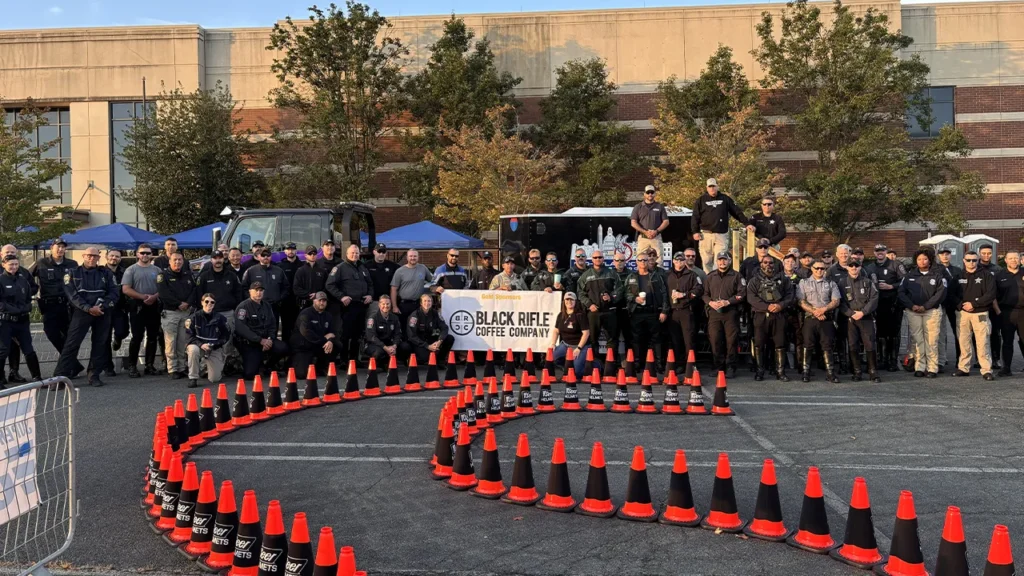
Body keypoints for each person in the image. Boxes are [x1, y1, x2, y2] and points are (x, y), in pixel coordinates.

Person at [55, 247, 119, 387]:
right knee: (71, 344)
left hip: (102, 312)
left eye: (95, 256)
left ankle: (94, 375)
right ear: (84, 256)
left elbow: (114, 292)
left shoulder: (106, 273)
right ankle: (59, 378)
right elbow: (72, 295)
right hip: (81, 312)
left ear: (99, 257)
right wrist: (88, 308)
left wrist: (100, 306)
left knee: (100, 344)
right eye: (89, 255)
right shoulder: (72, 273)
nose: (92, 258)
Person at [31, 239, 81, 376]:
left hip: (67, 305)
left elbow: (79, 282)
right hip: (49, 305)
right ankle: (73, 364)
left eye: (63, 247)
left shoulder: (72, 264)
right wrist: (33, 290)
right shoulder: (41, 263)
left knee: (69, 337)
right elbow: (26, 277)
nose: (60, 249)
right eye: (57, 247)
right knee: (51, 333)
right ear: (51, 248)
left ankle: (68, 367)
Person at [898, 249, 947, 378]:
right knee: (918, 340)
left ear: (930, 260)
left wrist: (926, 306)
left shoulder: (937, 275)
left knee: (931, 340)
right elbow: (901, 293)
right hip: (913, 312)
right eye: (919, 259)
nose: (922, 261)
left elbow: (940, 293)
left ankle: (932, 368)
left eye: (925, 259)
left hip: (932, 312)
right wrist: (911, 305)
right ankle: (920, 367)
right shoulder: (909, 275)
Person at [747, 256, 794, 381]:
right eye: (765, 262)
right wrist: (767, 307)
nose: (768, 265)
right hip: (761, 316)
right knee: (759, 344)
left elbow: (790, 295)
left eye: (771, 263)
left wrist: (780, 305)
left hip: (779, 315)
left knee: (780, 344)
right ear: (761, 264)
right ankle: (760, 371)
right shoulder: (754, 281)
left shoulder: (783, 279)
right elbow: (751, 298)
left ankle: (780, 372)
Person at [951, 251, 997, 380]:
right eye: (969, 260)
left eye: (974, 260)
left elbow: (991, 293)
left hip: (980, 313)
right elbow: (950, 294)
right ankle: (963, 368)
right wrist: (961, 305)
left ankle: (986, 370)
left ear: (978, 261)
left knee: (983, 342)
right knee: (963, 342)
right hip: (963, 313)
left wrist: (974, 304)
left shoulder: (986, 275)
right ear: (964, 261)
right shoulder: (957, 276)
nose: (971, 262)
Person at [0, 254, 42, 388]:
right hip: (6, 321)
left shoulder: (23, 280)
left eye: (16, 264)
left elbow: (28, 298)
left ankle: (37, 377)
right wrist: (15, 310)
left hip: (22, 321)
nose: (13, 267)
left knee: (28, 349)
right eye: (11, 264)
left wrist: (26, 307)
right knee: (3, 350)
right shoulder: (1, 280)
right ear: (3, 265)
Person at [691, 178, 750, 273]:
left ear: (717, 187)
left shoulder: (725, 199)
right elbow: (695, 217)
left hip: (721, 235)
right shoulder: (701, 200)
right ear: (707, 188)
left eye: (714, 186)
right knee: (706, 261)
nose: (712, 188)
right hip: (706, 235)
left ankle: (716, 279)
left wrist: (747, 223)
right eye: (710, 186)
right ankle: (708, 281)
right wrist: (695, 231)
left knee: (719, 259)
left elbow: (736, 211)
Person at [797, 260, 841, 383]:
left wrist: (823, 310)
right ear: (812, 269)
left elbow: (836, 300)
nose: (819, 270)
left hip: (826, 318)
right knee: (808, 345)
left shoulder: (831, 283)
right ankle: (806, 372)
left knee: (827, 345)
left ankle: (830, 373)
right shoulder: (803, 282)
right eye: (817, 268)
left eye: (822, 268)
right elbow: (800, 301)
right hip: (810, 318)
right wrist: (814, 312)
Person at [327, 244, 373, 364]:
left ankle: (354, 359)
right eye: (352, 253)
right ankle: (343, 360)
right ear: (347, 254)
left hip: (362, 305)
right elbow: (329, 285)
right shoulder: (340, 268)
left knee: (357, 334)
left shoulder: (362, 267)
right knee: (346, 334)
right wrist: (341, 296)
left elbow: (370, 284)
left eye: (357, 253)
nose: (355, 255)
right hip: (348, 306)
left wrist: (370, 295)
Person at [122, 243, 162, 378]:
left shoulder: (157, 270)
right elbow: (126, 289)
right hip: (137, 306)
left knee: (152, 336)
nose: (145, 255)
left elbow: (162, 288)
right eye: (142, 253)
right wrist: (143, 297)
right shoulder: (130, 270)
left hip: (154, 306)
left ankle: (149, 365)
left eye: (148, 253)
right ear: (137, 254)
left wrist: (154, 297)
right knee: (137, 337)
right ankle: (132, 366)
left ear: (152, 255)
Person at [624, 252, 669, 371]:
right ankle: (638, 364)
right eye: (640, 260)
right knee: (637, 339)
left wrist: (664, 311)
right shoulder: (631, 277)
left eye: (645, 260)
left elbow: (665, 294)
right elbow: (626, 293)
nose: (643, 262)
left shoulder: (656, 276)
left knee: (657, 339)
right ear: (636, 262)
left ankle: (659, 365)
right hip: (637, 312)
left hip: (653, 312)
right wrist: (634, 298)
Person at [234, 282, 288, 379]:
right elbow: (240, 328)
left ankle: (267, 366)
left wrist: (270, 339)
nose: (259, 293)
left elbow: (272, 324)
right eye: (256, 290)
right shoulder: (243, 307)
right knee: (250, 375)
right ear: (250, 292)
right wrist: (260, 340)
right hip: (251, 343)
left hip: (266, 341)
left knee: (283, 348)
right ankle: (256, 365)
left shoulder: (267, 305)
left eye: (261, 290)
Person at [867, 243, 907, 372]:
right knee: (880, 332)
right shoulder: (870, 267)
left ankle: (893, 360)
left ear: (886, 251)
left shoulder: (896, 265)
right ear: (874, 253)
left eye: (882, 250)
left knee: (894, 332)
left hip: (894, 303)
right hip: (878, 304)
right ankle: (883, 359)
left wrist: (892, 286)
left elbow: (905, 280)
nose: (880, 253)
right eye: (877, 250)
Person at [703, 251, 744, 377]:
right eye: (720, 260)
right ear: (717, 262)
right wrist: (710, 303)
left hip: (730, 313)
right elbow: (704, 294)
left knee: (731, 341)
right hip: (714, 313)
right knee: (715, 340)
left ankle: (731, 367)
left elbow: (741, 294)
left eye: (725, 259)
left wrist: (728, 301)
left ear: (730, 261)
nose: (722, 262)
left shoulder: (737, 276)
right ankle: (718, 367)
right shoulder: (710, 276)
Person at [157, 253, 197, 379]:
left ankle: (181, 366)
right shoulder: (163, 276)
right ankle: (173, 368)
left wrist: (188, 303)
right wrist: (178, 304)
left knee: (182, 341)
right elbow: (164, 294)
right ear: (169, 261)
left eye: (180, 260)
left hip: (185, 313)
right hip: (171, 312)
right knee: (171, 342)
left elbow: (194, 291)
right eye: (175, 260)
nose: (177, 262)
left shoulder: (188, 275)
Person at [839, 260, 880, 382]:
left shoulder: (867, 282)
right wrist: (850, 313)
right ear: (847, 268)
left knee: (869, 343)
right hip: (850, 318)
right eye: (851, 266)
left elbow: (874, 298)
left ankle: (873, 371)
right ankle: (857, 372)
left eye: (856, 266)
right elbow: (840, 302)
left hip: (865, 317)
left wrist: (863, 312)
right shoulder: (842, 283)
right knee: (852, 344)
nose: (853, 268)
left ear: (860, 267)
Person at [577, 249, 623, 353]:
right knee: (592, 339)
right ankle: (594, 364)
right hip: (593, 312)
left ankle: (611, 365)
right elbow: (580, 293)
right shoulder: (585, 275)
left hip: (610, 311)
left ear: (603, 259)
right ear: (592, 260)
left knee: (612, 339)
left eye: (600, 257)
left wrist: (611, 297)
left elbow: (620, 290)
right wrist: (589, 304)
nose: (598, 259)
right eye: (595, 257)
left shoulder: (611, 273)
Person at [665, 251, 703, 374]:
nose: (679, 262)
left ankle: (691, 364)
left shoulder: (692, 275)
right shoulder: (667, 275)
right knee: (675, 340)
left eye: (682, 260)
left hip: (687, 310)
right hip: (672, 312)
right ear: (673, 261)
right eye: (677, 260)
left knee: (689, 340)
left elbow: (698, 290)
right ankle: (679, 364)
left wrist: (684, 295)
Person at [184, 293, 230, 388]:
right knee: (193, 350)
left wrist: (215, 345)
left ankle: (204, 367)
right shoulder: (193, 317)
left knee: (215, 379)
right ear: (202, 302)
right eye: (206, 301)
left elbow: (226, 336)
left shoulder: (220, 318)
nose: (209, 304)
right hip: (198, 346)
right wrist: (201, 345)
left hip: (214, 347)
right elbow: (189, 336)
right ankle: (193, 378)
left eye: (212, 302)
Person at [290, 291, 338, 378]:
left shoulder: (328, 315)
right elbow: (306, 333)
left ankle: (321, 367)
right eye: (319, 300)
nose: (322, 303)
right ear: (314, 301)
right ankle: (296, 362)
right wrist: (324, 339)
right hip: (304, 347)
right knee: (302, 374)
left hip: (318, 344)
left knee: (337, 345)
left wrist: (330, 341)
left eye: (324, 301)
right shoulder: (305, 314)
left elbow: (332, 332)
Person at [242, 249, 290, 332]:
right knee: (257, 330)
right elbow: (244, 287)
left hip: (273, 307)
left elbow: (286, 287)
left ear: (271, 256)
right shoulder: (251, 271)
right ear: (258, 256)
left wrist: (279, 298)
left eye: (268, 255)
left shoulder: (279, 271)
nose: (265, 257)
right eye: (263, 255)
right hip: (256, 307)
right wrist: (252, 300)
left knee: (273, 331)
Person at [549, 292, 593, 376]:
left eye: (572, 299)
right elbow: (556, 331)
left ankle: (595, 365)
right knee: (550, 357)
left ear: (575, 301)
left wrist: (578, 348)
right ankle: (568, 366)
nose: (569, 301)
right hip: (566, 345)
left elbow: (586, 333)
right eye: (567, 299)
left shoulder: (581, 315)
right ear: (564, 301)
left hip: (581, 346)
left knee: (576, 373)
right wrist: (553, 344)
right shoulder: (561, 315)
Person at [101, 249, 129, 377]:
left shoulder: (125, 272)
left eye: (117, 256)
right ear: (107, 257)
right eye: (112, 256)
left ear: (120, 258)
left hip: (120, 308)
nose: (114, 258)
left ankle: (117, 340)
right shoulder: (100, 271)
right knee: (104, 338)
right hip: (104, 309)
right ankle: (108, 367)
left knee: (122, 331)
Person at [407, 293, 454, 366]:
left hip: (432, 339)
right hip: (420, 342)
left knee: (450, 338)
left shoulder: (435, 313)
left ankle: (440, 360)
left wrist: (440, 341)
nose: (427, 303)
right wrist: (427, 346)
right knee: (424, 358)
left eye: (429, 301)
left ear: (432, 302)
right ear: (421, 303)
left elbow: (444, 327)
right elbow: (411, 336)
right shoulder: (415, 316)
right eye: (425, 301)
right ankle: (416, 358)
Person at [995, 250, 1023, 375]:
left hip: (1023, 312)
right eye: (1010, 258)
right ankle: (1006, 368)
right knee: (1007, 341)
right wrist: (998, 312)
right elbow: (993, 296)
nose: (1013, 260)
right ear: (1005, 260)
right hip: (1006, 312)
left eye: (1016, 258)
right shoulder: (999, 275)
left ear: (1020, 259)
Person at [935, 247, 962, 373]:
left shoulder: (957, 270)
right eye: (942, 254)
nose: (945, 256)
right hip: (941, 304)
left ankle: (960, 359)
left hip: (954, 305)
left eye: (947, 254)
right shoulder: (936, 269)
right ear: (938, 256)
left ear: (950, 256)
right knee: (941, 333)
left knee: (959, 333)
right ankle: (942, 358)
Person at [978, 244, 1004, 371]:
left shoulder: (997, 269)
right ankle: (980, 358)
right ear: (979, 253)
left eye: (988, 253)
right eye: (983, 253)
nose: (986, 255)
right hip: (979, 306)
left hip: (994, 306)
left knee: (995, 333)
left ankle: (996, 358)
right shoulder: (974, 267)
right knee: (978, 335)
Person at [364, 295, 410, 366]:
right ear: (379, 305)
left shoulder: (395, 318)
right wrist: (385, 347)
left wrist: (394, 346)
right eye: (383, 304)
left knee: (406, 347)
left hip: (390, 344)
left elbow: (398, 334)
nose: (386, 306)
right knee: (378, 352)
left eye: (388, 304)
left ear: (391, 304)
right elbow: (371, 337)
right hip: (375, 344)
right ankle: (379, 364)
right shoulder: (372, 318)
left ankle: (394, 361)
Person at [391, 249, 432, 320]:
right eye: (411, 256)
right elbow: (393, 289)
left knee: (418, 328)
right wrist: (394, 306)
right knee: (404, 327)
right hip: (404, 305)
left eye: (415, 256)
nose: (413, 258)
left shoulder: (423, 268)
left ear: (418, 257)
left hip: (419, 304)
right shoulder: (400, 271)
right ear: (407, 257)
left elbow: (432, 280)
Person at [631, 185, 670, 258]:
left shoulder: (660, 206)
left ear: (654, 194)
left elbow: (666, 221)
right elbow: (633, 222)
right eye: (648, 192)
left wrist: (656, 231)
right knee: (641, 259)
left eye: (652, 192)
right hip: (643, 238)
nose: (650, 194)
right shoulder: (638, 207)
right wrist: (645, 232)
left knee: (659, 260)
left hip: (656, 238)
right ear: (644, 194)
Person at [277, 242, 303, 345]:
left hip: (300, 302)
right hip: (285, 302)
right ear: (285, 251)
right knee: (286, 328)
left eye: (292, 249)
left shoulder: (302, 265)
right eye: (288, 249)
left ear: (296, 250)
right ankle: (286, 352)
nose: (290, 251)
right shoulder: (280, 266)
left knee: (299, 327)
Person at [609, 251, 633, 354]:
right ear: (613, 262)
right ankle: (613, 362)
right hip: (613, 310)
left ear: (625, 261)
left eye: (622, 260)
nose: (619, 262)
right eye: (617, 260)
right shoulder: (608, 274)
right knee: (613, 337)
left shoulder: (632, 274)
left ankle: (630, 362)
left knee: (630, 337)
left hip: (628, 310)